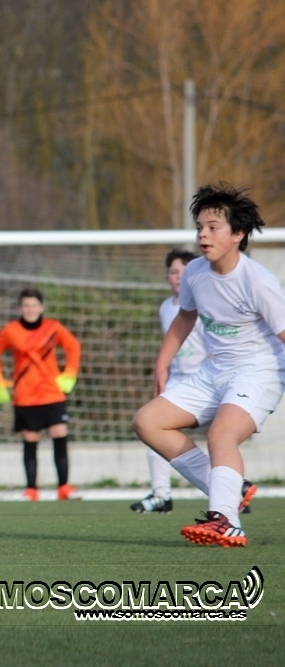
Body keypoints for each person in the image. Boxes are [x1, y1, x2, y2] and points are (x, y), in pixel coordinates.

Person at [133, 183, 278, 548]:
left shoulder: (258, 281)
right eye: (199, 227)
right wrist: (162, 364)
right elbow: (185, 317)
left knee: (221, 434)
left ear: (238, 234)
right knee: (148, 421)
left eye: (213, 227)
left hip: (259, 371)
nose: (203, 235)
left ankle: (226, 521)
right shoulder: (195, 272)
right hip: (215, 371)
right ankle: (230, 489)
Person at [0, 288, 82, 502]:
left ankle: (64, 487)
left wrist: (69, 373)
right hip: (25, 394)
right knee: (30, 440)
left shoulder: (53, 328)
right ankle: (31, 490)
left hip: (52, 393)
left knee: (60, 435)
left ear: (42, 307)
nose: (30, 309)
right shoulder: (11, 330)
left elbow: (73, 346)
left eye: (34, 305)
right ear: (20, 308)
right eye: (26, 305)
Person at [130, 249, 207, 514]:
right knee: (152, 430)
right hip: (177, 380)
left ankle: (232, 492)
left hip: (204, 380)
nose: (178, 277)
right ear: (167, 277)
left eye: (183, 273)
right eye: (173, 272)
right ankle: (161, 495)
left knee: (222, 436)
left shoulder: (204, 306)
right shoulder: (165, 307)